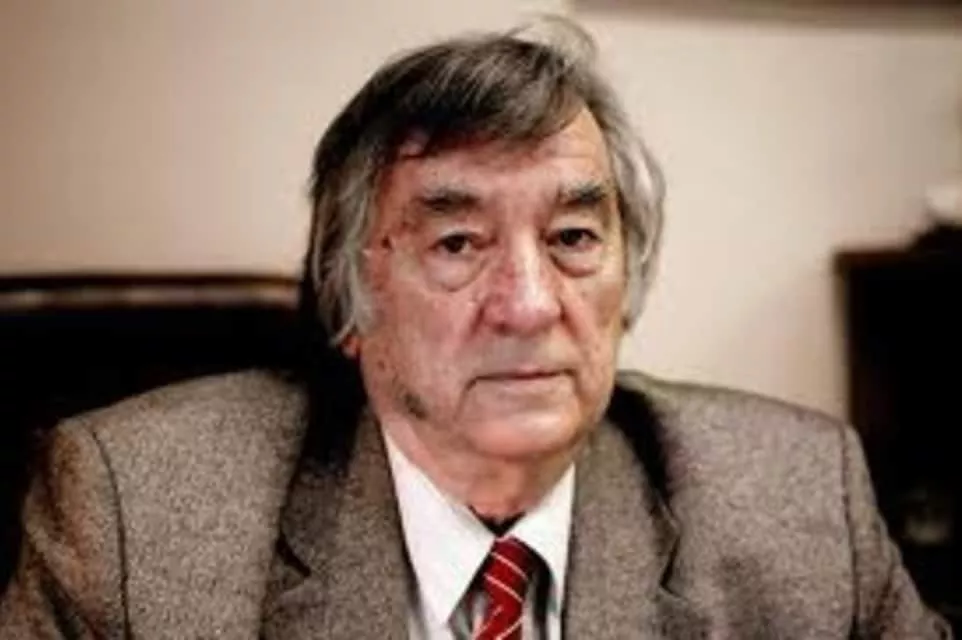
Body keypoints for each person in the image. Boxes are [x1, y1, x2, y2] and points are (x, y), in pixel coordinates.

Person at [0, 18, 951, 640]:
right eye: (457, 243)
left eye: (573, 237)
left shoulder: (795, 502)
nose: (530, 304)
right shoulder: (133, 525)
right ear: (350, 297)